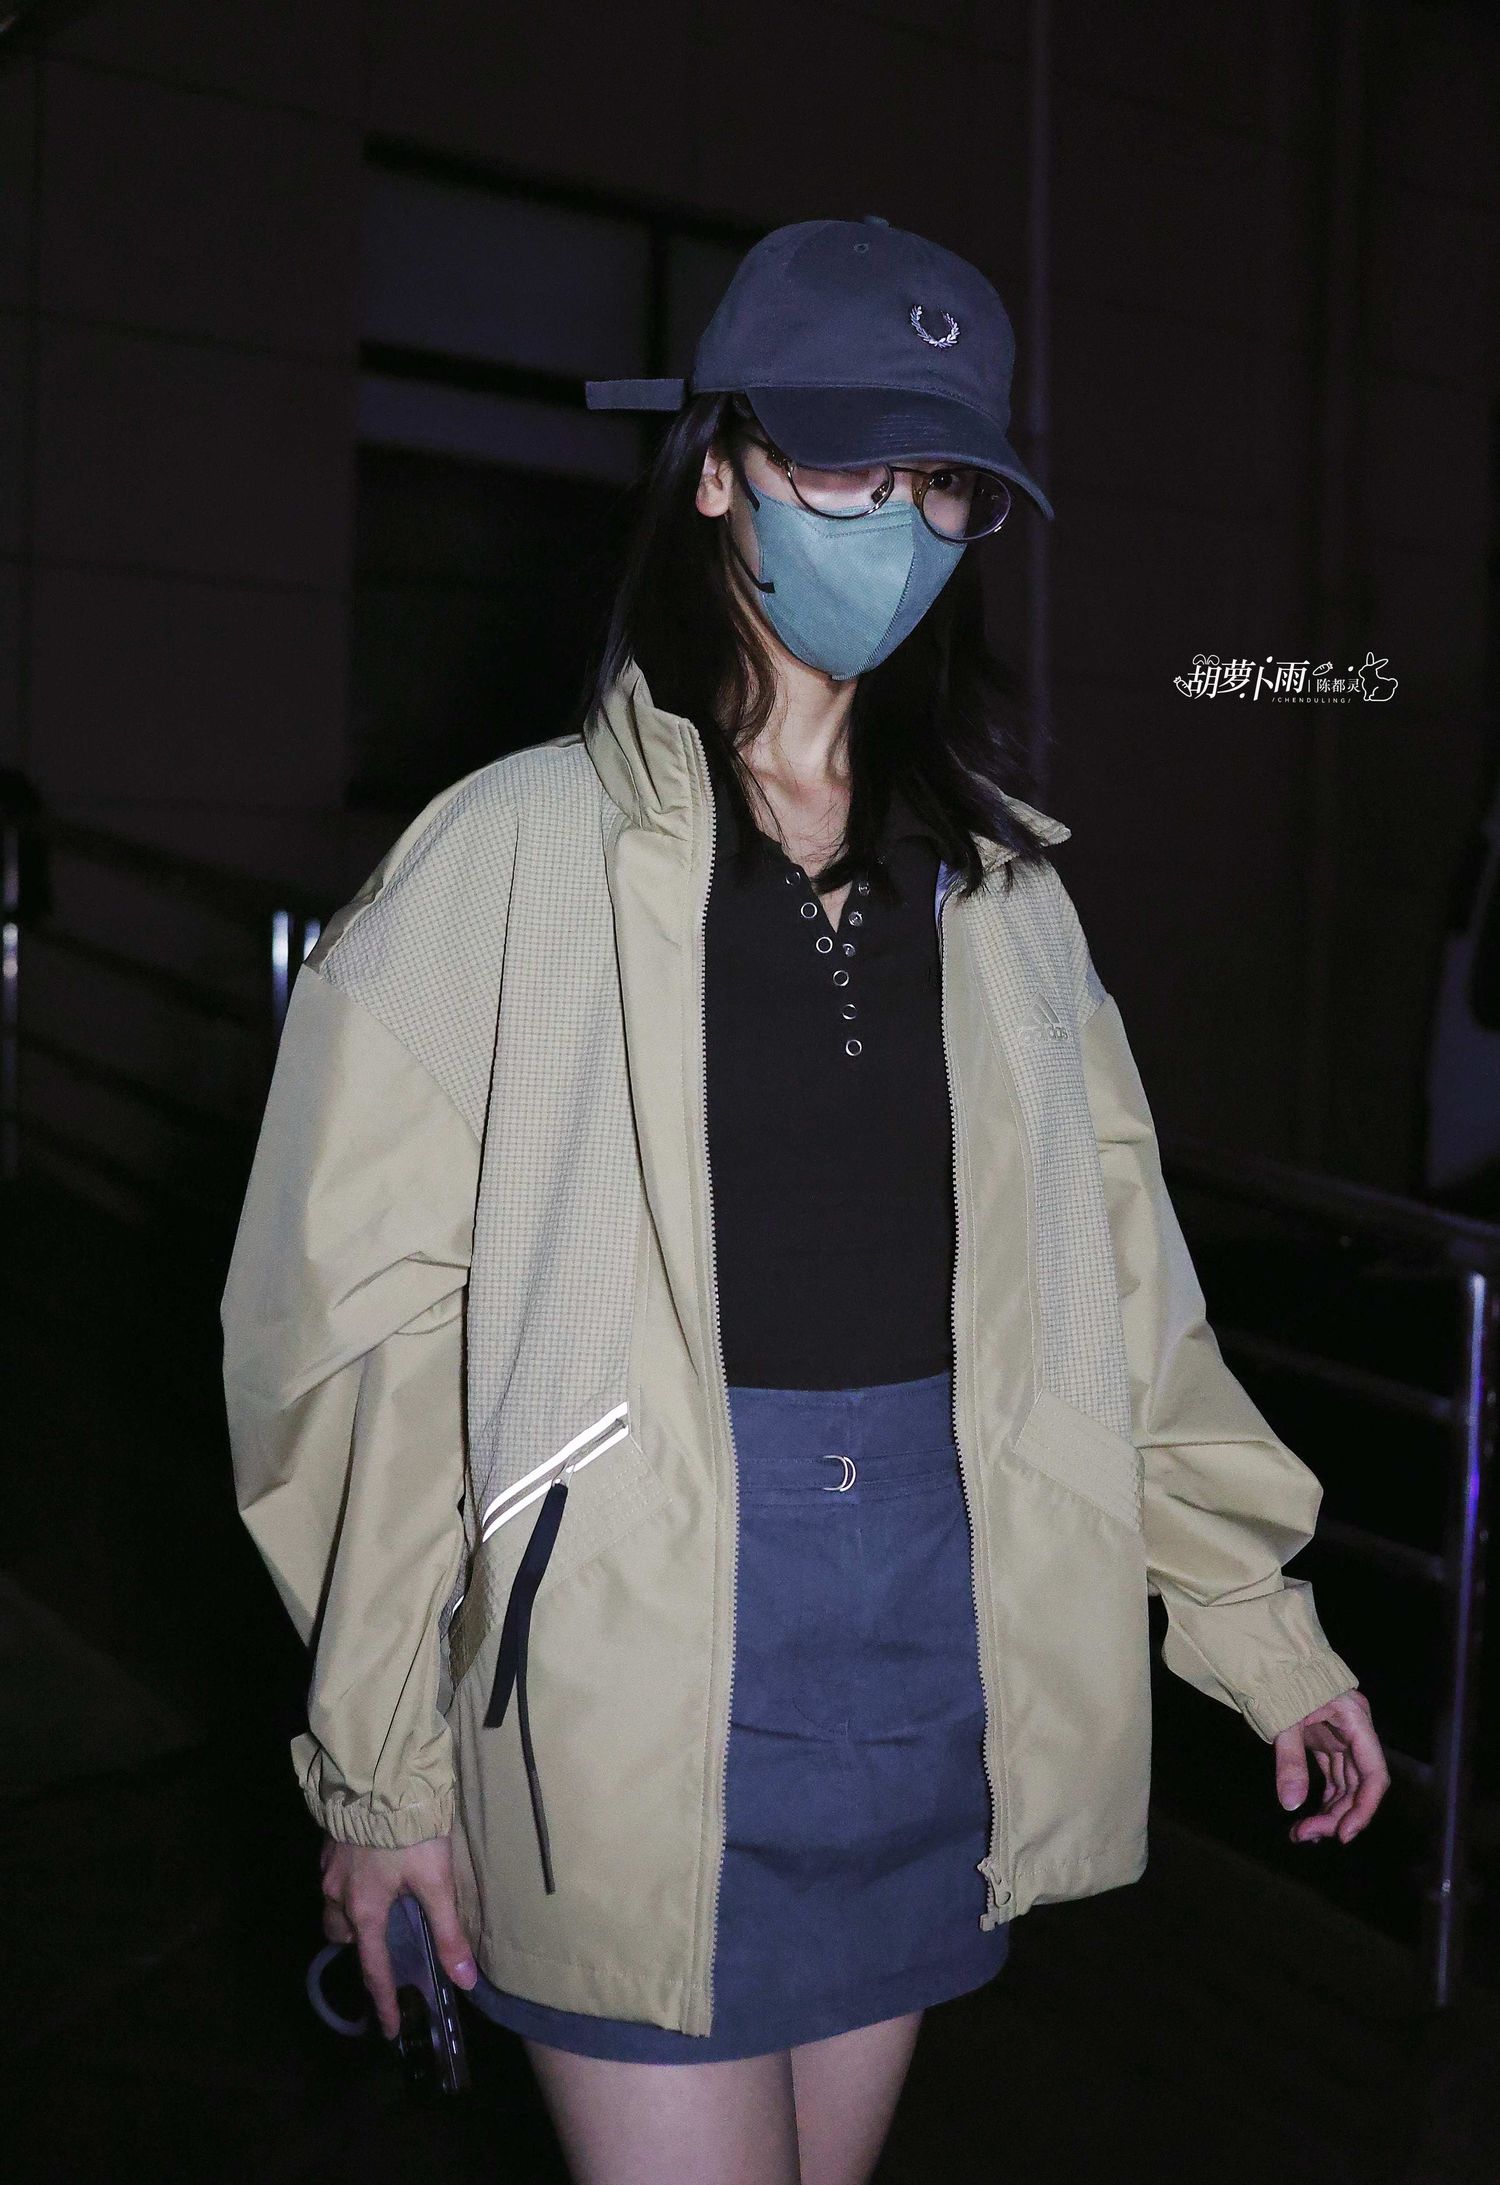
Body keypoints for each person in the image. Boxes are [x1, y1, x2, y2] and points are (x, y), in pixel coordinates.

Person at [221, 215, 1389, 2184]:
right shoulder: (511, 854)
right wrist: (382, 1766)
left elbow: (1124, 1294)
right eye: (851, 467)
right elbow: (358, 1336)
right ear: (718, 469)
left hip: (935, 1652)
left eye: (947, 487)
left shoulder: (1006, 896)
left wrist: (1261, 1629)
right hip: (621, 1679)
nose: (903, 532)